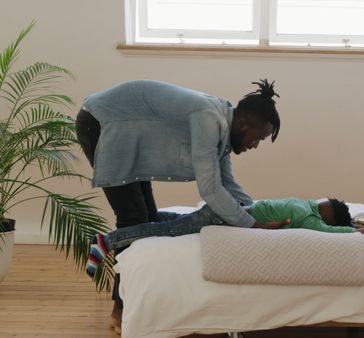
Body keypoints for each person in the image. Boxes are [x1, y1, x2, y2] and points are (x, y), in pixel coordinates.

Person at [75, 79, 289, 334]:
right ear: (244, 123)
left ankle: (115, 264)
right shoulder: (209, 119)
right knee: (133, 218)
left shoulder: (223, 124)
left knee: (147, 218)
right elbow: (209, 189)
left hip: (127, 130)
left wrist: (257, 210)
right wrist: (253, 226)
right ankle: (121, 309)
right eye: (258, 138)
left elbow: (227, 182)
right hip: (101, 121)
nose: (255, 145)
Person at [86, 197, 364, 274]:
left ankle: (151, 215)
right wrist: (352, 230)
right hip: (224, 215)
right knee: (167, 230)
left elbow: (323, 223)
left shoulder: (303, 203)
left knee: (172, 221)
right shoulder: (308, 217)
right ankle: (106, 241)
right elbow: (323, 231)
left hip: (226, 209)